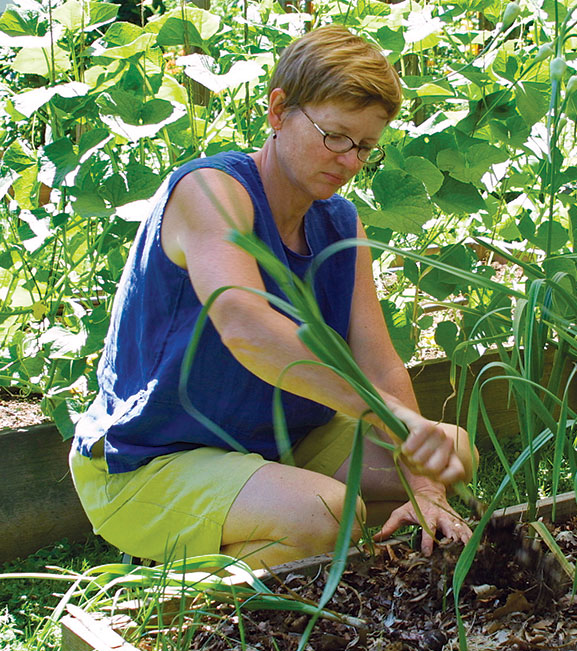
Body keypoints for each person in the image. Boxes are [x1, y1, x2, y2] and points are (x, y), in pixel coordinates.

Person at [69, 25, 476, 568]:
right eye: (335, 136)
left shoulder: (340, 224)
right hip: (150, 458)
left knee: (450, 452)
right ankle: (177, 601)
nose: (350, 161)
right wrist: (387, 418)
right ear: (278, 111)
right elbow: (246, 325)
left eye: (365, 147)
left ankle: (291, 531)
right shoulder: (211, 192)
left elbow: (379, 365)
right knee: (327, 512)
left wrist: (425, 488)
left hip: (274, 446)